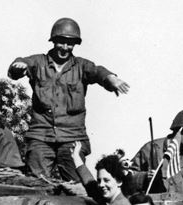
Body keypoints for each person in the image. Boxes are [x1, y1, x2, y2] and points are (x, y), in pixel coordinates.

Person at [8, 17, 129, 183]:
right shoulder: (38, 63)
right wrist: (18, 66)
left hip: (72, 138)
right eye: (61, 42)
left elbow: (98, 71)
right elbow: (20, 64)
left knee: (77, 187)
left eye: (70, 43)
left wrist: (111, 79)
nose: (65, 48)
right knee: (35, 184)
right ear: (53, 41)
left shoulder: (81, 66)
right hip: (41, 136)